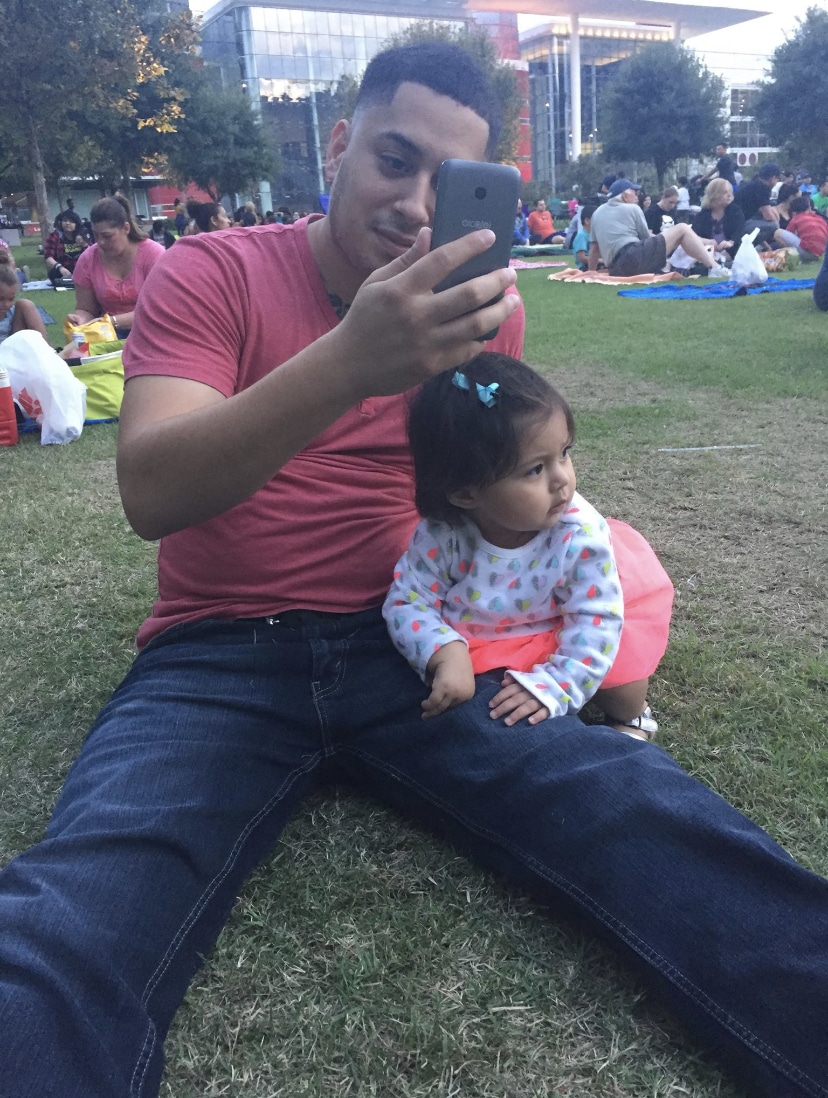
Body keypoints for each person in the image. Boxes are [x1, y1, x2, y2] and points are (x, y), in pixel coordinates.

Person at [1, 41, 827, 1098]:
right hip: (218, 654)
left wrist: (551, 571)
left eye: (453, 182)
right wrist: (353, 360)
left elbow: (483, 492)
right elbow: (152, 493)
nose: (417, 203)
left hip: (423, 642)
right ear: (339, 145)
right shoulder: (216, 270)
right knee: (79, 913)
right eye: (395, 158)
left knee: (638, 810)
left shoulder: (484, 311)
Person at [384, 353, 671, 738]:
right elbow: (408, 600)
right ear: (466, 493)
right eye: (535, 469)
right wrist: (444, 651)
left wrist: (556, 684)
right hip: (485, 636)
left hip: (566, 625)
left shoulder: (579, 535)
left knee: (621, 674)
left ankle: (633, 718)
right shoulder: (444, 534)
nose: (562, 480)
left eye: (564, 454)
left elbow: (595, 621)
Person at [67, 196, 165, 339]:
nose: (100, 242)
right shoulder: (88, 259)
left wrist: (111, 322)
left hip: (153, 332)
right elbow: (86, 308)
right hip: (108, 335)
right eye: (95, 235)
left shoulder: (154, 254)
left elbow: (159, 309)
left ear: (126, 228)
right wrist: (81, 320)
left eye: (107, 236)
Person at [588, 178, 723, 277]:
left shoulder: (597, 213)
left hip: (616, 269)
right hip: (632, 258)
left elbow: (594, 248)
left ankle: (710, 267)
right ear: (624, 195)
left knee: (678, 233)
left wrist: (591, 273)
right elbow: (645, 238)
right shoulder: (632, 209)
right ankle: (715, 268)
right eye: (635, 193)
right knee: (682, 228)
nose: (637, 196)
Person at [0, 249, 48, 346]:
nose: (6, 304)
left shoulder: (13, 312)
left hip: (14, 353)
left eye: (11, 299)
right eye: (0, 299)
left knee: (25, 304)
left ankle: (48, 354)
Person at [691, 178, 745, 263]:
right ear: (714, 194)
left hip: (731, 252)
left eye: (730, 192)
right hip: (707, 253)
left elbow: (739, 232)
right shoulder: (703, 215)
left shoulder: (735, 211)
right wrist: (706, 242)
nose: (729, 195)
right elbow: (693, 236)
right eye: (725, 192)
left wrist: (730, 243)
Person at [733, 162, 781, 244]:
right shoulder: (763, 187)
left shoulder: (754, 182)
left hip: (737, 221)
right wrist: (780, 229)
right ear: (773, 178)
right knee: (773, 225)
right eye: (777, 179)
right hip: (738, 225)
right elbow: (768, 216)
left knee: (771, 207)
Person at [775, 195, 828, 262]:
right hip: (821, 253)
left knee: (778, 233)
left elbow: (788, 233)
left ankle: (795, 257)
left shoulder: (797, 218)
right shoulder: (819, 218)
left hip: (809, 252)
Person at [43, 212, 89, 284]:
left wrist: (84, 244)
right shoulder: (55, 237)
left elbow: (93, 253)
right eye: (65, 221)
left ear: (76, 224)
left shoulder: (83, 236)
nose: (67, 223)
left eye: (71, 221)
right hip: (62, 270)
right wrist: (60, 268)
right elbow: (48, 256)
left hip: (82, 269)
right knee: (53, 274)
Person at [571, 205, 595, 269]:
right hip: (585, 266)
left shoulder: (594, 235)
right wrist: (600, 261)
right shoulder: (582, 236)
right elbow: (582, 258)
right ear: (587, 221)